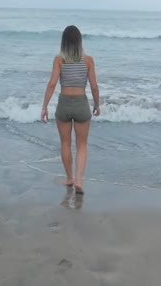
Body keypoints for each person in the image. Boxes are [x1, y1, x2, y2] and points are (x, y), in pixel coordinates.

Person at [41, 25, 100, 195]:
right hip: (81, 103)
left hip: (64, 103)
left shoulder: (59, 59)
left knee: (65, 143)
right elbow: (94, 86)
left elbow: (52, 83)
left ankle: (69, 178)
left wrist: (45, 106)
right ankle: (79, 180)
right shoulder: (88, 60)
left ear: (64, 42)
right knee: (82, 145)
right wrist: (97, 105)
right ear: (80, 41)